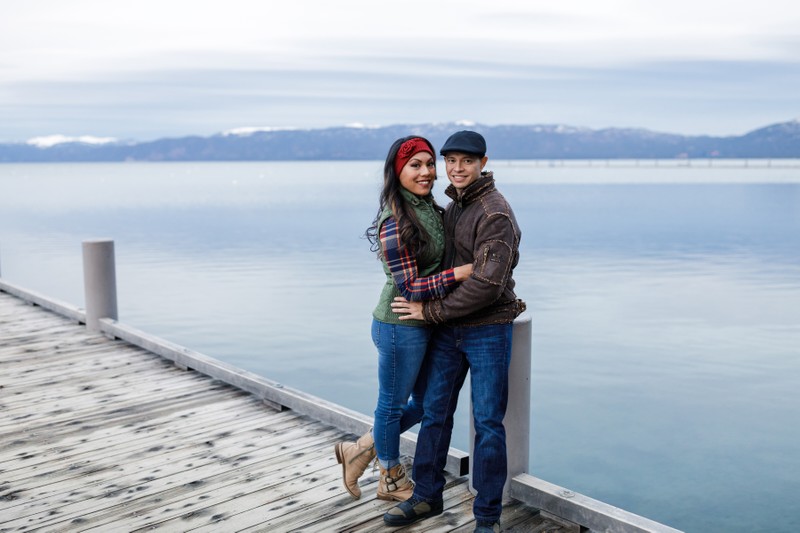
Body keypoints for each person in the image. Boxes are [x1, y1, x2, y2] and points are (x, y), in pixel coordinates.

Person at [384, 131, 525, 533]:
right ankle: (427, 496)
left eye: (466, 161)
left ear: (483, 162)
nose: (457, 168)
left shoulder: (495, 213)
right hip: (448, 330)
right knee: (434, 413)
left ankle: (487, 518)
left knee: (488, 425)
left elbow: (487, 285)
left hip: (487, 330)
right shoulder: (454, 206)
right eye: (451, 161)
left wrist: (430, 311)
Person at [334, 136, 474, 502]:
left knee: (427, 403)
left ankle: (361, 448)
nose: (426, 172)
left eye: (430, 163)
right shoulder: (396, 220)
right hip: (400, 325)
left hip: (425, 323)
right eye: (416, 165)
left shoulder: (430, 208)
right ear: (397, 173)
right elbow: (410, 287)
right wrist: (459, 274)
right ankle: (390, 477)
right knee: (392, 406)